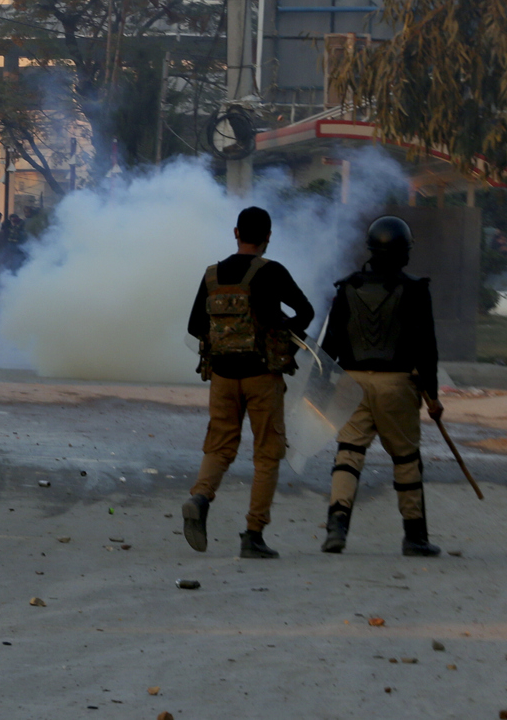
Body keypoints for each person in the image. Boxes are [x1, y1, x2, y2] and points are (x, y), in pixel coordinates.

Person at [183, 206, 313, 559]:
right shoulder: (272, 272)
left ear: (236, 233)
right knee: (268, 453)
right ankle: (253, 535)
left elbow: (196, 326)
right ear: (268, 237)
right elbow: (307, 311)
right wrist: (282, 331)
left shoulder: (213, 275)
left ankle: (200, 497)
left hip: (223, 377)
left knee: (219, 447)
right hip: (262, 376)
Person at [318, 216, 442, 557]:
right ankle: (414, 536)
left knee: (349, 453)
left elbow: (328, 346)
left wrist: (321, 389)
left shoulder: (346, 287)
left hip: (351, 383)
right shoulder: (416, 290)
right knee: (405, 458)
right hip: (397, 385)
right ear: (404, 252)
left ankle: (336, 527)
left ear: (371, 249)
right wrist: (432, 396)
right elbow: (426, 349)